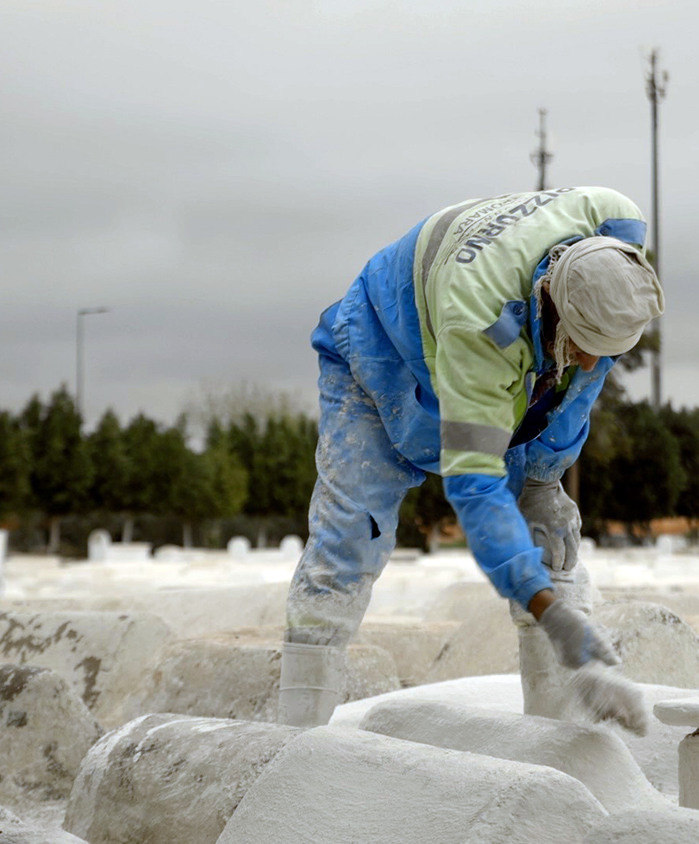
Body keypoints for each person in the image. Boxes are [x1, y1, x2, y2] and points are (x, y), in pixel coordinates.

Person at [278, 186, 662, 732]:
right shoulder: (481, 333)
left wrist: (543, 482)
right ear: (554, 301)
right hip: (380, 348)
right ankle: (297, 739)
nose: (592, 362)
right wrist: (553, 618)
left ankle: (557, 738)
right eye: (583, 345)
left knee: (548, 527)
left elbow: (575, 391)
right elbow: (477, 491)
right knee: (347, 536)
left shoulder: (615, 228)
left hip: (508, 342)